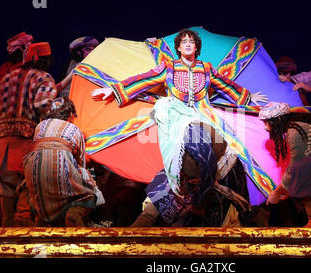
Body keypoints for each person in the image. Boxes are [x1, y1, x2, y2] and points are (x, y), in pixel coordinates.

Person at [92, 29, 269, 226]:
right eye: (184, 41)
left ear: (196, 47)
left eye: (191, 42)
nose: (187, 44)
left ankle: (206, 195)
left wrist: (248, 97)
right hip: (176, 115)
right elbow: (144, 80)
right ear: (177, 47)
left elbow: (224, 85)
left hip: (204, 114)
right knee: (176, 154)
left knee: (225, 149)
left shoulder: (207, 68)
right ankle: (176, 192)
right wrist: (116, 89)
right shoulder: (169, 67)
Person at [0, 42, 58, 227]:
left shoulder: (8, 77)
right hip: (24, 147)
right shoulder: (44, 78)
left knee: (2, 215)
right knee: (24, 208)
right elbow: (43, 105)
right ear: (45, 59)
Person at [23, 97, 105, 226]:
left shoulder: (40, 126)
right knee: (87, 192)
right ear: (71, 115)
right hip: (60, 167)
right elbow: (81, 163)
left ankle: (43, 220)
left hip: (33, 169)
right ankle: (74, 215)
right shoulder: (74, 129)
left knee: (42, 194)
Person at [0, 32, 33, 104]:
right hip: (24, 113)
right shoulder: (30, 69)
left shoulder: (0, 70)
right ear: (24, 49)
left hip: (3, 114)